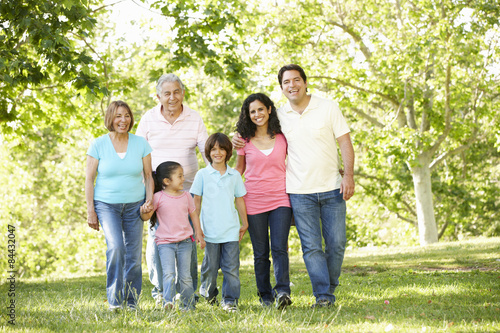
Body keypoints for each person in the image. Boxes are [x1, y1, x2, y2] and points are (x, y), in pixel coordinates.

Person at [233, 64, 355, 308]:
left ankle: (326, 287)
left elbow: (344, 142)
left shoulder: (327, 107)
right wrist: (235, 138)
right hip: (298, 192)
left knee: (337, 244)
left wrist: (348, 174)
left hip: (331, 187)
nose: (292, 85)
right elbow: (251, 141)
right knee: (310, 248)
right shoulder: (280, 117)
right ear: (281, 88)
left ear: (305, 82)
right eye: (286, 82)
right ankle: (323, 296)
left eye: (296, 80)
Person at [136, 74, 209, 304]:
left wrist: (216, 177)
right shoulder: (148, 119)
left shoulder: (194, 118)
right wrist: (147, 190)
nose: (172, 97)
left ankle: (189, 294)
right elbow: (138, 153)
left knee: (187, 240)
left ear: (183, 93)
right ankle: (161, 292)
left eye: (176, 92)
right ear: (158, 96)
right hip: (156, 192)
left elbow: (207, 152)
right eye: (167, 93)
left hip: (186, 191)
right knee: (158, 239)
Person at [85, 100, 153, 311]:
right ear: (110, 119)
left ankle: (132, 302)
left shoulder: (141, 143)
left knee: (133, 253)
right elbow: (89, 179)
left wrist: (149, 200)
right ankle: (115, 301)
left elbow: (149, 176)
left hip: (135, 205)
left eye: (126, 116)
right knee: (116, 247)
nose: (123, 120)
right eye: (118, 116)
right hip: (106, 205)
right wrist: (91, 210)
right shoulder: (98, 144)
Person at [234, 93, 293, 309]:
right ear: (247, 115)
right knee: (261, 253)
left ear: (269, 109)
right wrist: (221, 183)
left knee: (279, 248)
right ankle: (265, 296)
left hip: (281, 199)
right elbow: (239, 168)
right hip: (254, 200)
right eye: (252, 111)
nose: (257, 114)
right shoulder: (244, 140)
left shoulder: (283, 136)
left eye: (260, 109)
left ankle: (283, 292)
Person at [190, 133, 248, 312]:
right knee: (210, 267)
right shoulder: (202, 174)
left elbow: (239, 200)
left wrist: (244, 223)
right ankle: (208, 294)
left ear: (228, 152)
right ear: (208, 152)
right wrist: (198, 230)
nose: (218, 152)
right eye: (214, 149)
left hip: (230, 230)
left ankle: (230, 300)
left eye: (222, 148)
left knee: (231, 268)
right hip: (209, 231)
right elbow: (196, 204)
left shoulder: (234, 175)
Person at [140, 161, 205, 311]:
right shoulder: (158, 197)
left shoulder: (187, 196)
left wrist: (199, 234)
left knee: (185, 276)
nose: (183, 179)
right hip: (165, 244)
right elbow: (147, 216)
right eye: (180, 176)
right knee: (168, 274)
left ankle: (188, 305)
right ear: (167, 181)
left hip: (185, 243)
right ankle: (168, 302)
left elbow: (194, 214)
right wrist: (144, 211)